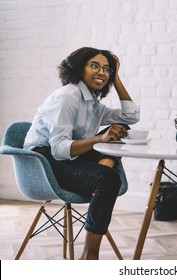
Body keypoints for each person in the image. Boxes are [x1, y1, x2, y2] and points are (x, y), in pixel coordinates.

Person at [23, 47, 140, 259]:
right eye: (94, 66)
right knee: (108, 179)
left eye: (107, 69)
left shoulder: (93, 102)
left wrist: (117, 78)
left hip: (68, 156)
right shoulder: (67, 97)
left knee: (121, 132)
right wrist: (99, 139)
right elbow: (58, 149)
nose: (102, 73)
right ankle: (89, 255)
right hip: (43, 160)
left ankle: (97, 186)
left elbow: (130, 116)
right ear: (79, 68)